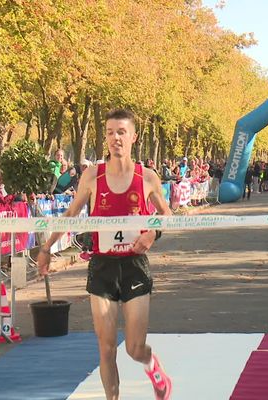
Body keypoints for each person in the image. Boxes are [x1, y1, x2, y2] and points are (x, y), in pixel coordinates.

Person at [37, 109, 173, 400]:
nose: (115, 139)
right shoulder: (92, 175)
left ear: (133, 137)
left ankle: (154, 367)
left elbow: (166, 215)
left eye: (121, 132)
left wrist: (152, 233)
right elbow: (71, 213)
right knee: (107, 346)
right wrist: (47, 248)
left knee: (135, 348)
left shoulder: (147, 177)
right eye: (110, 133)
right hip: (102, 267)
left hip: (135, 266)